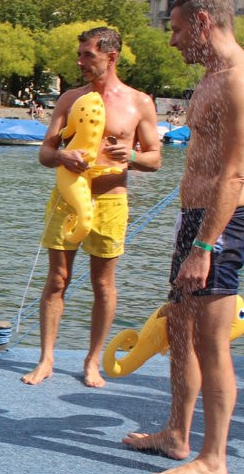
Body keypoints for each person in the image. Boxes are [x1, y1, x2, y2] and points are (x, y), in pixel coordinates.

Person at [122, 0, 244, 474]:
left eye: (174, 29)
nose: (170, 41)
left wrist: (204, 246)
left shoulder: (238, 80)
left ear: (201, 23)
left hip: (221, 223)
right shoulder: (212, 77)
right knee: (178, 325)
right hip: (193, 217)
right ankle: (177, 432)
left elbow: (235, 175)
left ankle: (214, 460)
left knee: (210, 340)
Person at [21, 27, 162, 388]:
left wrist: (130, 157)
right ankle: (46, 358)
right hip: (69, 197)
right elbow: (44, 153)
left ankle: (92, 361)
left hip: (111, 199)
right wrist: (62, 155)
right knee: (57, 279)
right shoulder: (70, 99)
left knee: (103, 284)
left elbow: (155, 158)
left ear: (111, 57)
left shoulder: (139, 102)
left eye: (89, 56)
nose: (81, 62)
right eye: (80, 55)